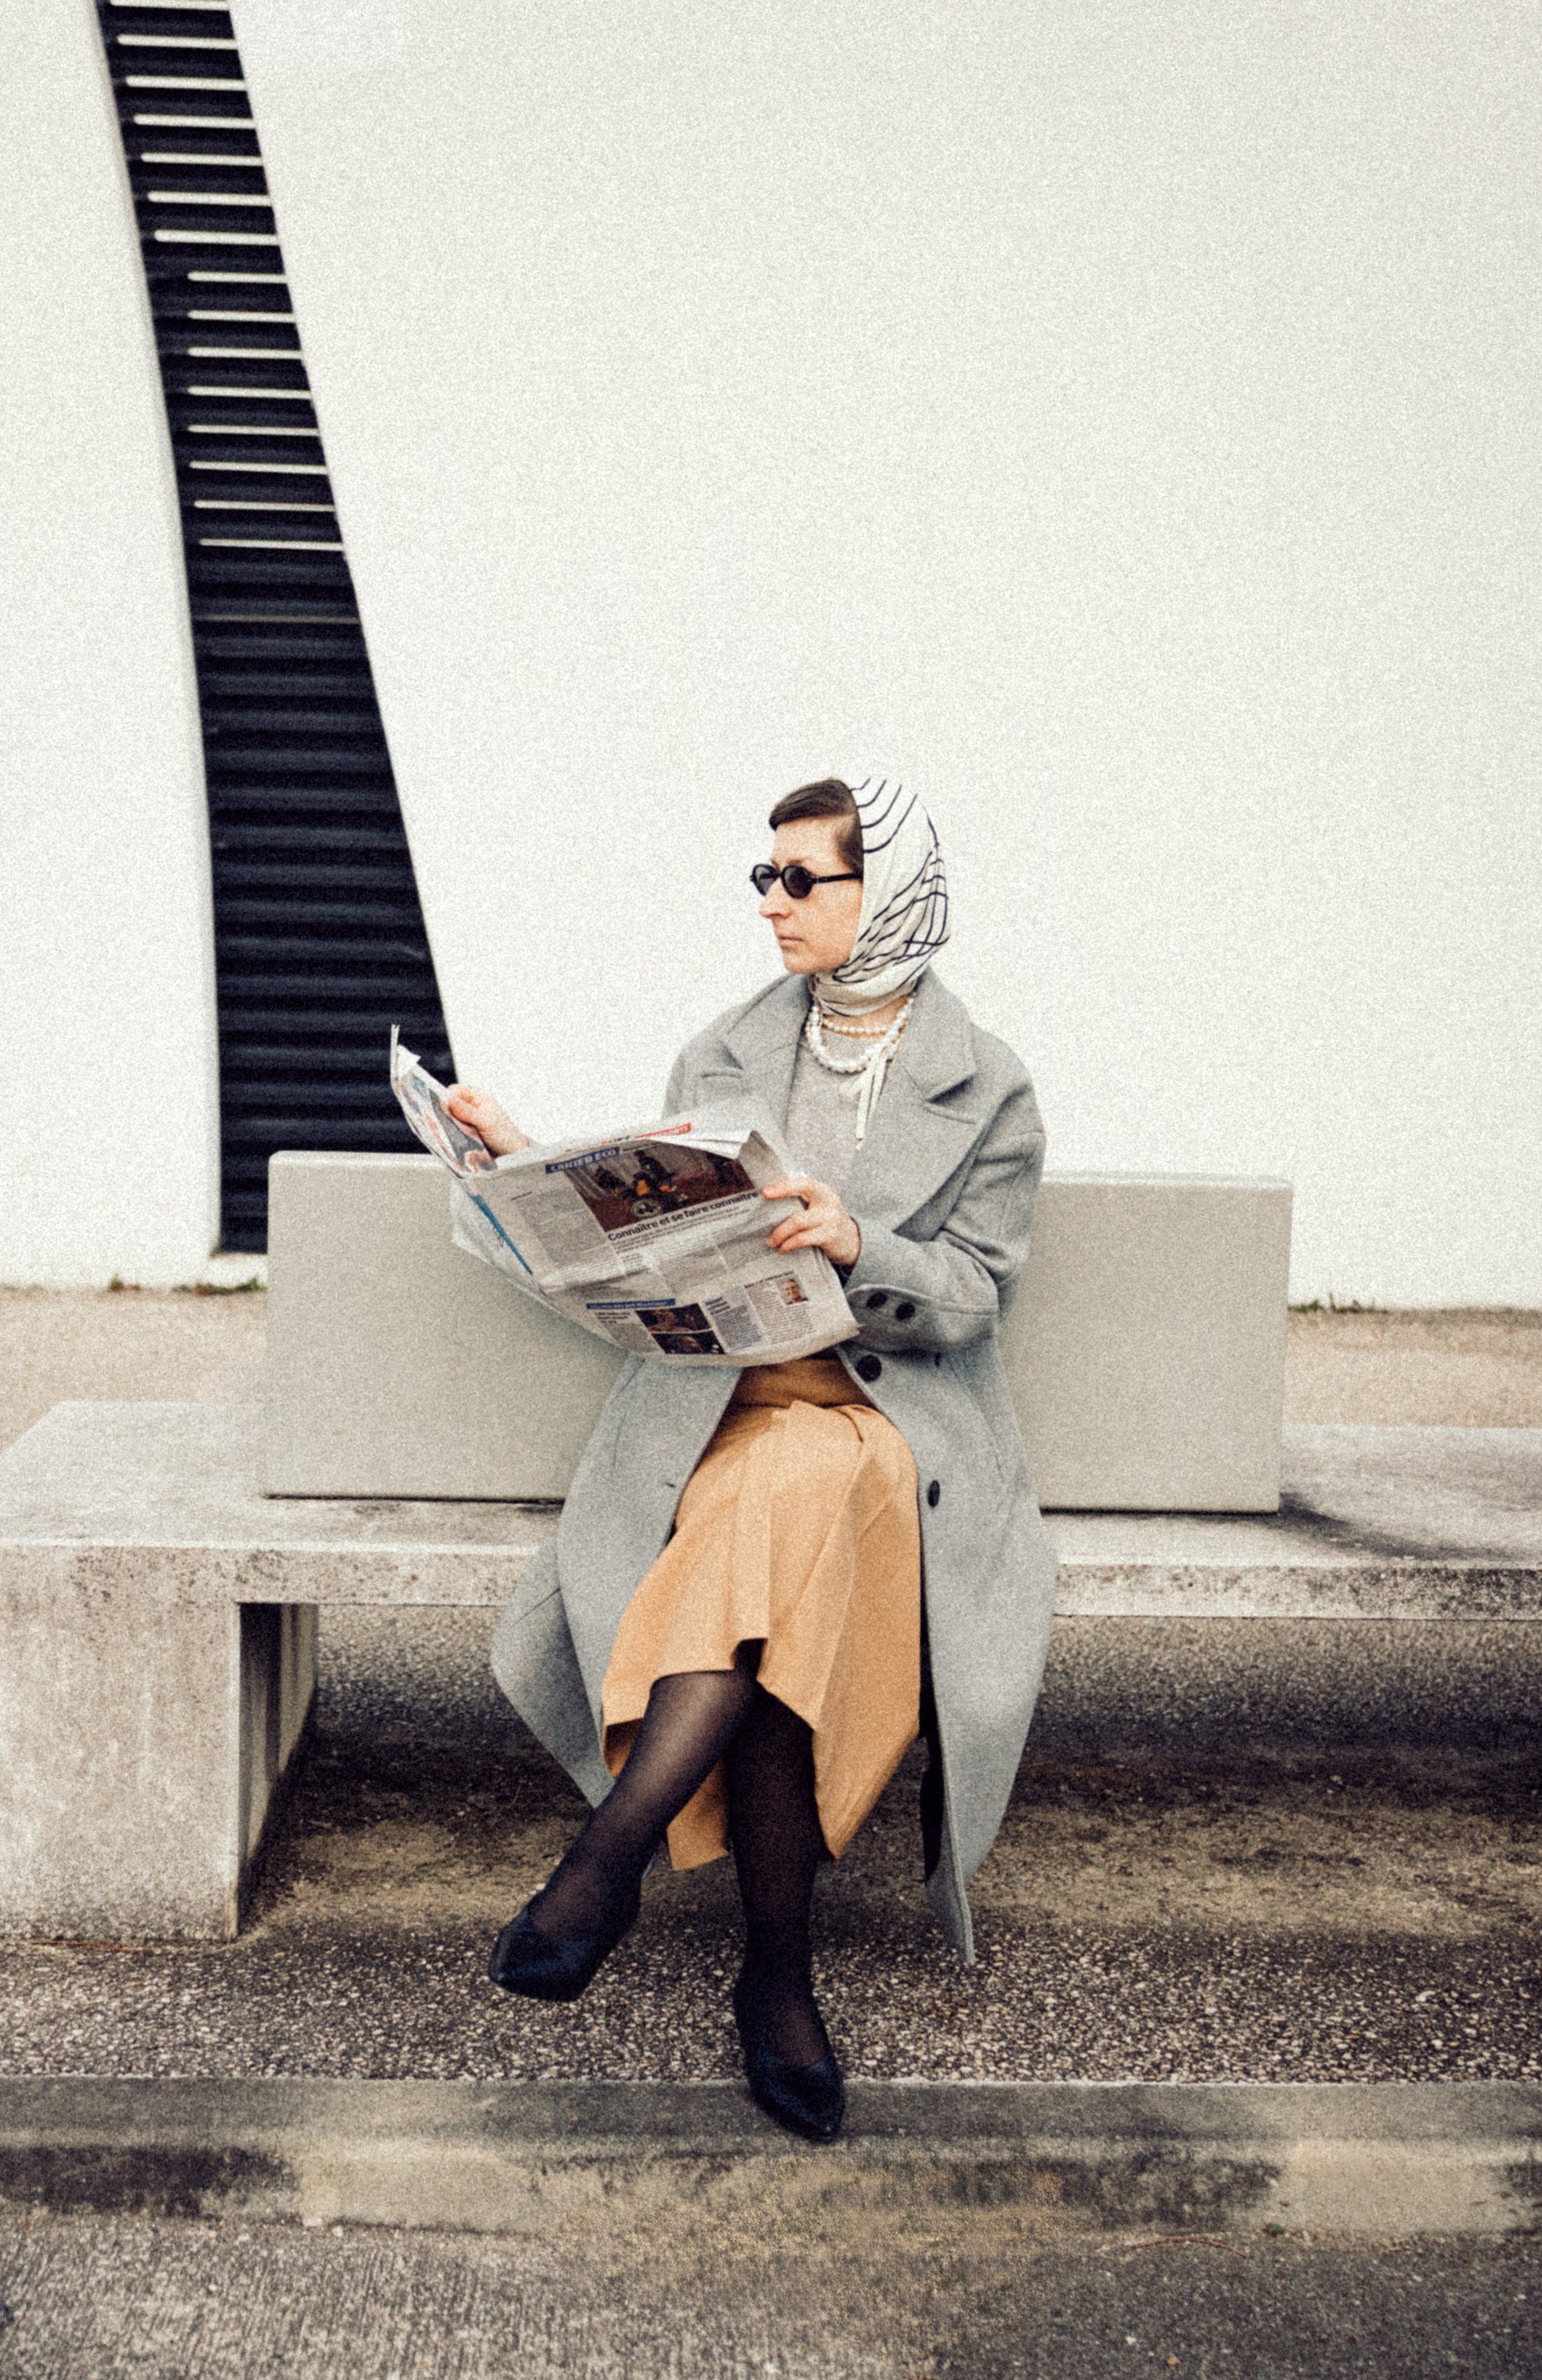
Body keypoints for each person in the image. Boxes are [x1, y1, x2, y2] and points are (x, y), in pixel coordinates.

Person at [445, 777, 1056, 2143]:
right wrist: (523, 1173)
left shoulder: (989, 1084)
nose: (770, 903)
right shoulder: (720, 1049)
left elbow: (972, 1302)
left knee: (803, 1492)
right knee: (777, 1577)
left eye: (802, 879)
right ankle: (773, 1983)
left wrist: (858, 1249)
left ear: (883, 893)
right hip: (724, 1412)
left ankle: (610, 1857)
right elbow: (657, 1230)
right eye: (763, 878)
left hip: (889, 1431)